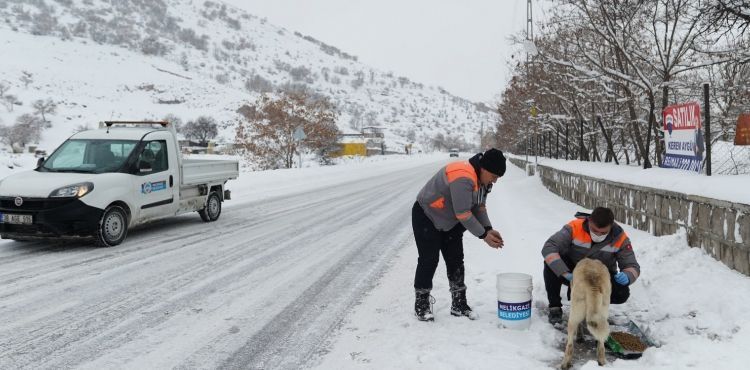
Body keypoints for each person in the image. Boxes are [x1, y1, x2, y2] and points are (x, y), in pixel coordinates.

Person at [412, 148, 506, 321]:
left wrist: (488, 228)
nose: (495, 181)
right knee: (429, 259)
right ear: (484, 168)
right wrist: (483, 236)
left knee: (456, 259)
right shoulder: (463, 176)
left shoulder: (483, 181)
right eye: (494, 176)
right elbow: (463, 213)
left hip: (451, 221)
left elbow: (479, 207)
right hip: (427, 216)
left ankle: (459, 304)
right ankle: (422, 303)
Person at [541, 207, 641, 324]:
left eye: (603, 232)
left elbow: (632, 265)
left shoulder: (620, 237)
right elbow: (549, 247)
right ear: (589, 221)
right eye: (594, 230)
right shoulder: (574, 227)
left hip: (600, 276)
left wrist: (628, 275)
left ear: (611, 226)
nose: (598, 234)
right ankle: (555, 307)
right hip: (573, 271)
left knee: (622, 293)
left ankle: (594, 307)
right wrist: (564, 273)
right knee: (550, 265)